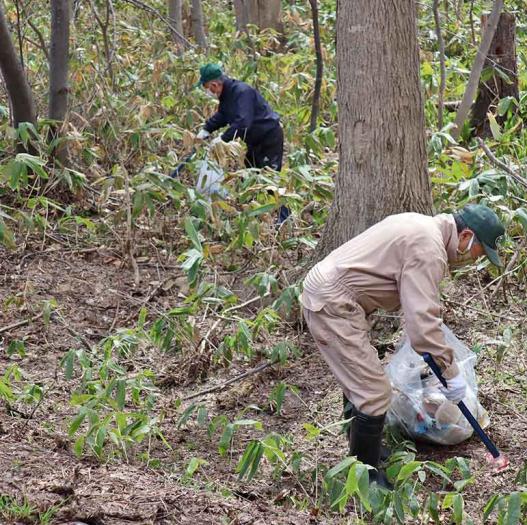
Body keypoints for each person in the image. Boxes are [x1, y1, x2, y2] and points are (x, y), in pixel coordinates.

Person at [301, 204, 505, 489]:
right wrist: (450, 372)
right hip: (334, 302)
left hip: (338, 295)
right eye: (477, 253)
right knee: (373, 391)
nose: (472, 260)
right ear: (465, 236)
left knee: (364, 379)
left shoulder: (423, 227)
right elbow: (422, 326)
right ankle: (366, 477)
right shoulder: (429, 249)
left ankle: (362, 452)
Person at [195, 63, 289, 223]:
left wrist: (223, 139)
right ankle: (257, 214)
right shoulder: (226, 95)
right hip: (254, 141)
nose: (208, 92)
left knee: (270, 178)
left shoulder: (241, 92)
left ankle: (285, 217)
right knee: (251, 176)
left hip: (269, 138)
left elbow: (243, 122)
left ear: (214, 85)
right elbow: (223, 115)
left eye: (207, 88)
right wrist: (206, 129)